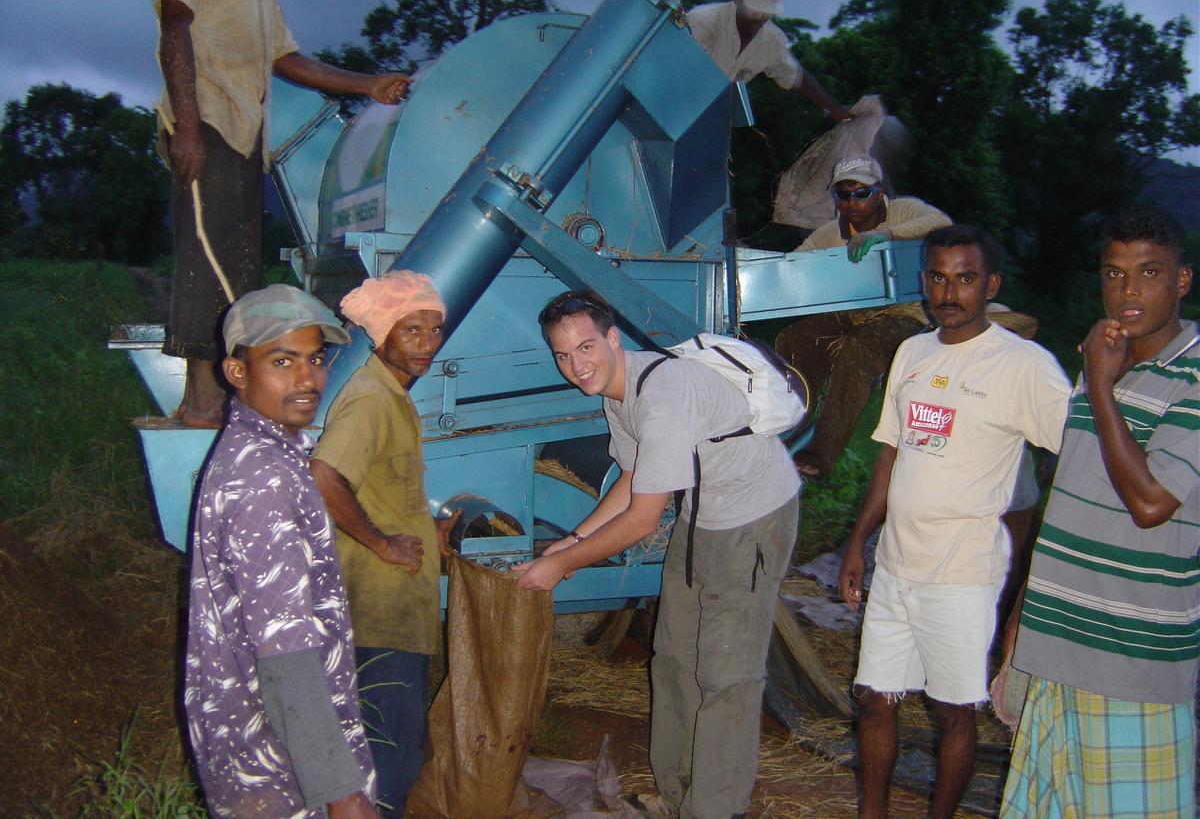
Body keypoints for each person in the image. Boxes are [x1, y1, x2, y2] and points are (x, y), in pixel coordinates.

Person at [512, 291, 800, 819]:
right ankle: (675, 790)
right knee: (671, 656)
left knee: (726, 674)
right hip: (702, 513)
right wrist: (569, 542)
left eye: (586, 347)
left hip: (754, 517)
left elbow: (643, 519)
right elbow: (630, 479)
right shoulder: (616, 392)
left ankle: (714, 808)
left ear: (613, 338)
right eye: (563, 354)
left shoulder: (662, 394)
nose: (577, 366)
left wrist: (563, 566)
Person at [836, 225, 1071, 819]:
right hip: (895, 563)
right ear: (923, 283)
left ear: (990, 285)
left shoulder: (1024, 367)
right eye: (938, 277)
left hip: (963, 573)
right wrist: (859, 542)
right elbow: (892, 452)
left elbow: (1074, 456)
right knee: (875, 699)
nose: (950, 291)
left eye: (965, 278)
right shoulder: (912, 352)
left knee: (951, 710)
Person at [151, 0, 411, 428]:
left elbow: (285, 58)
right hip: (206, 120)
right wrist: (186, 126)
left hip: (246, 132)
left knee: (238, 269)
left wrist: (368, 85)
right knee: (208, 260)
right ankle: (202, 401)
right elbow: (174, 26)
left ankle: (220, 398)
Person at [999, 208, 1198, 818]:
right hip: (1057, 645)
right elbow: (1070, 501)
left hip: (1131, 660)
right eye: (1114, 273)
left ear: (1182, 281)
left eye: (1148, 273)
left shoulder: (1188, 377)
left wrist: (1102, 384)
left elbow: (1151, 503)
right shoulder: (1105, 363)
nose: (1128, 290)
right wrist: (1019, 627)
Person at [185, 284, 379, 818]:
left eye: (315, 359)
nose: (307, 379)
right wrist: (341, 793)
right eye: (281, 361)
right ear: (237, 372)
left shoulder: (268, 449)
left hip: (276, 747)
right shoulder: (263, 479)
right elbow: (285, 656)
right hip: (282, 768)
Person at [310, 271, 455, 817]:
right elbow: (323, 476)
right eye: (411, 329)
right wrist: (381, 544)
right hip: (379, 611)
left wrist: (423, 532)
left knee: (389, 745)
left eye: (434, 329)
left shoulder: (392, 395)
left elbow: (383, 488)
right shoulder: (371, 398)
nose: (426, 342)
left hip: (394, 606)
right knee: (390, 755)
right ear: (381, 334)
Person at [775, 155, 952, 478]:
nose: (852, 203)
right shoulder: (831, 232)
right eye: (844, 195)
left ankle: (822, 453)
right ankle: (787, 426)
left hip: (903, 311)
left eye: (861, 193)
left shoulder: (904, 211)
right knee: (796, 338)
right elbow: (793, 264)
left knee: (859, 352)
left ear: (880, 192)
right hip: (850, 310)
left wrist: (886, 236)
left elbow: (942, 223)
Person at [688, 0, 851, 121]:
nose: (758, 17)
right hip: (672, 100)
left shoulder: (772, 41)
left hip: (709, 117)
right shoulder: (704, 20)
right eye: (753, 9)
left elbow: (796, 76)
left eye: (765, 11)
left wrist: (834, 108)